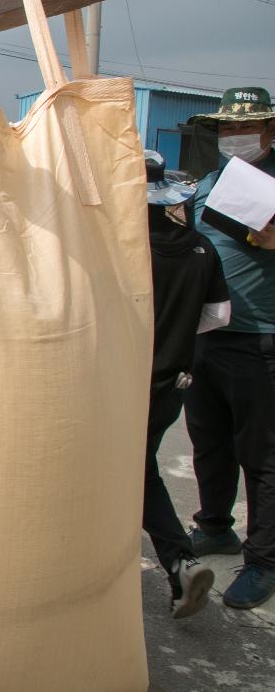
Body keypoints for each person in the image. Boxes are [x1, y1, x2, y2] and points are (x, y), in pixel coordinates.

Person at [185, 86, 275, 610]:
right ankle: (215, 526)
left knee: (262, 456)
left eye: (246, 128)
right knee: (210, 442)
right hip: (207, 338)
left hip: (261, 339)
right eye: (226, 129)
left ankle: (264, 560)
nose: (234, 137)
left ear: (269, 132)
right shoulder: (210, 185)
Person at [142, 150, 229, 619]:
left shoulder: (126, 250)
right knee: (140, 468)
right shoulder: (200, 247)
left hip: (124, 382)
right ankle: (178, 564)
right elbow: (218, 315)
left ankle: (179, 559)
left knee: (134, 475)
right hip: (173, 381)